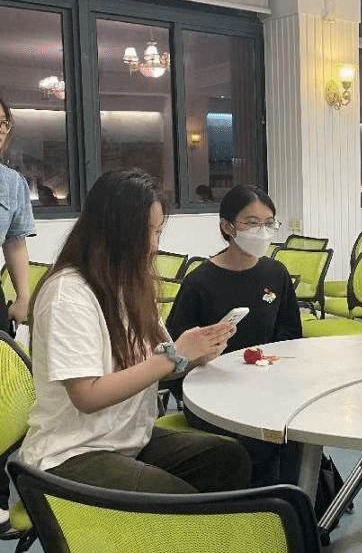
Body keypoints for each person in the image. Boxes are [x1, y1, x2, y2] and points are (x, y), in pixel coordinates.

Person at [16, 169, 251, 495]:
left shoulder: (128, 286)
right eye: (146, 232)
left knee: (228, 458)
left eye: (158, 232)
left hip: (125, 439)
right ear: (112, 232)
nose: (154, 245)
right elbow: (87, 396)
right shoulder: (68, 294)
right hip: (70, 454)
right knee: (183, 501)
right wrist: (174, 358)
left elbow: (152, 366)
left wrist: (193, 355)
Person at [166, 183, 302, 486]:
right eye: (251, 223)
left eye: (269, 223)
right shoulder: (199, 282)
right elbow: (174, 357)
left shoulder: (275, 274)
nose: (262, 232)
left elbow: (291, 339)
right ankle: (256, 506)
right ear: (227, 226)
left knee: (295, 433)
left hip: (266, 388)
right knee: (260, 438)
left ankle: (295, 506)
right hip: (211, 394)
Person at [0, 97, 35, 534]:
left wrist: (23, 295)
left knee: (1, 392)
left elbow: (15, 242)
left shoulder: (11, 183)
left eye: (3, 123)